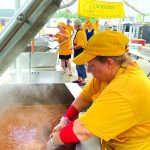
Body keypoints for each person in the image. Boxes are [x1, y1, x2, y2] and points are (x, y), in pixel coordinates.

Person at [46, 30, 150, 150]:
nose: (89, 70)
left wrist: (52, 142)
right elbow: (84, 97)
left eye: (92, 65)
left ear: (109, 63)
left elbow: (83, 130)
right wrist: (65, 120)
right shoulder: (111, 74)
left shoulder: (125, 87)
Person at [72, 19, 87, 86]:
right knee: (78, 66)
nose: (73, 26)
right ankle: (79, 79)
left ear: (76, 25)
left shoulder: (80, 32)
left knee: (81, 66)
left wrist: (72, 47)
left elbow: (80, 45)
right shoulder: (78, 31)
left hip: (80, 51)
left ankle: (83, 81)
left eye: (74, 24)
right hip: (78, 51)